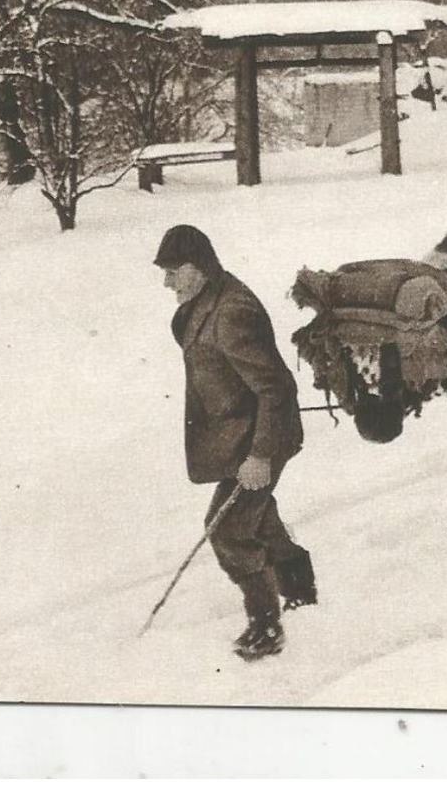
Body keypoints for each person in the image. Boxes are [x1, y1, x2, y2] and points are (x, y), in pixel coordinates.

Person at [155, 224, 316, 661]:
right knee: (257, 518)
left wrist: (261, 455)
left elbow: (275, 389)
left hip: (262, 436)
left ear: (200, 267)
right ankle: (301, 587)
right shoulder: (204, 302)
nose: (167, 282)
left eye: (173, 271)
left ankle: (266, 627)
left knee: (227, 528)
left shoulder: (231, 312)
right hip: (236, 434)